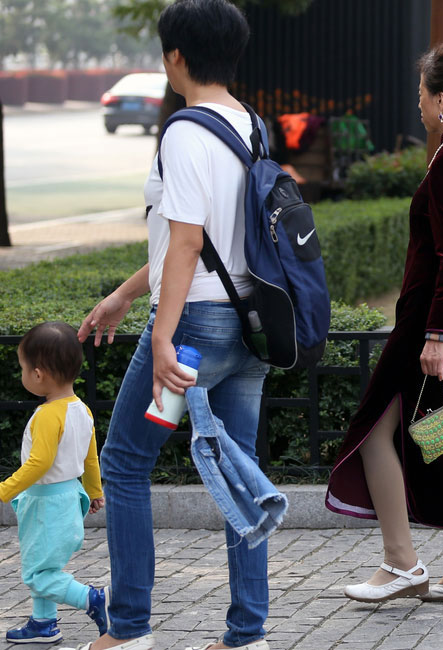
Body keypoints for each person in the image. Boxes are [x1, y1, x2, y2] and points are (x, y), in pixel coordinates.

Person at [75, 2, 270, 649]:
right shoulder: (252, 126)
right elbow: (196, 241)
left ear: (175, 57)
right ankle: (249, 633)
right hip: (251, 331)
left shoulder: (185, 131)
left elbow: (187, 243)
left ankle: (129, 629)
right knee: (239, 472)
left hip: (194, 335)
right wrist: (126, 295)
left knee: (126, 464)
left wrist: (161, 334)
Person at [325, 41, 443, 604]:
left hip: (434, 325)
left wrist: (436, 335)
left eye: (422, 94)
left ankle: (405, 563)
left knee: (380, 432)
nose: (419, 104)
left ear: (442, 100)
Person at [0, 322, 107, 644]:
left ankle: (95, 600)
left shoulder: (49, 414)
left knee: (38, 574)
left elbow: (39, 463)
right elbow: (90, 458)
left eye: (22, 368)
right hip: (68, 497)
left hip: (46, 501)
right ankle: (43, 623)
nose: (22, 374)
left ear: (38, 374)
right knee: (43, 564)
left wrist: (5, 489)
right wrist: (94, 491)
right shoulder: (81, 409)